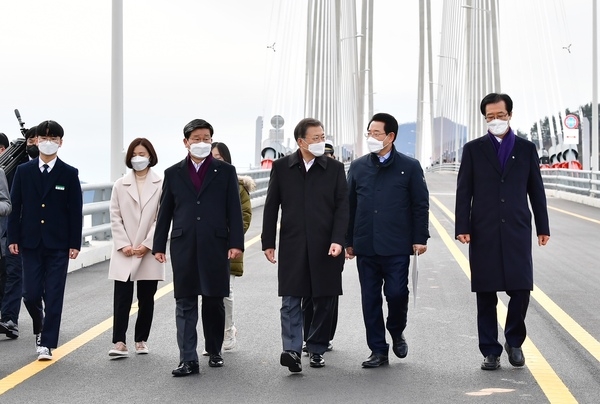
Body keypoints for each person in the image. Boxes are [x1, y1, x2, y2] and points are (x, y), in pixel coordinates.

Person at [455, 93, 550, 371]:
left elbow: (536, 190)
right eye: (490, 117)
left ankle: (514, 341)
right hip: (483, 229)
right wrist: (463, 226)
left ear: (510, 114)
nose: (495, 120)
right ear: (485, 118)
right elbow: (464, 191)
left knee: (521, 289)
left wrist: (542, 227)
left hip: (517, 229)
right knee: (485, 292)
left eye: (500, 115)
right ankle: (490, 350)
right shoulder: (473, 149)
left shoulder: (526, 148)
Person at [153, 119, 244, 377]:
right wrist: (158, 244)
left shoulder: (225, 171)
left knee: (214, 300)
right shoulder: (173, 173)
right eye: (196, 139)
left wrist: (236, 242)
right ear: (186, 142)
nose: (202, 143)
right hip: (183, 244)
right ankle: (188, 359)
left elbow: (233, 210)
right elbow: (165, 212)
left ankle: (214, 350)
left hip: (216, 244)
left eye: (206, 138)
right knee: (185, 302)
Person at [262, 118, 349, 372]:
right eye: (316, 138)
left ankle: (317, 347)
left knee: (323, 298)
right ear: (301, 142)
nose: (321, 141)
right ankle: (291, 350)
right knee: (290, 299)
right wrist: (268, 241)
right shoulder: (281, 167)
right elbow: (270, 206)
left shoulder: (334, 168)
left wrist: (338, 240)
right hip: (292, 243)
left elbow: (343, 207)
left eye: (323, 136)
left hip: (326, 244)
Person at [346, 112, 429, 368]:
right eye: (369, 133)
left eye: (376, 133)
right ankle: (378, 350)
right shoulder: (358, 166)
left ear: (390, 136)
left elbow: (419, 204)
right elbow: (348, 205)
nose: (371, 137)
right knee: (369, 298)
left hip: (396, 245)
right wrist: (348, 240)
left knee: (396, 293)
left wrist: (419, 238)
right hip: (366, 244)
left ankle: (396, 329)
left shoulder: (410, 166)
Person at [7, 120, 83, 361]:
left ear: (61, 142)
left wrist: (74, 243)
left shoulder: (69, 173)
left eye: (54, 138)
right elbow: (15, 206)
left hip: (58, 244)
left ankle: (47, 343)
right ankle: (40, 326)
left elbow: (75, 210)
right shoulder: (23, 171)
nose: (48, 142)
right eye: (44, 137)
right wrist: (13, 237)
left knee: (53, 294)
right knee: (29, 294)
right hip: (29, 242)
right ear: (36, 140)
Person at [107, 138, 165, 358]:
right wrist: (124, 244)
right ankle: (119, 341)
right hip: (125, 249)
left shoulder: (161, 183)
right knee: (121, 297)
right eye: (134, 154)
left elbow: (161, 218)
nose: (138, 158)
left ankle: (141, 339)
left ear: (151, 156)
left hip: (148, 250)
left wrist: (148, 244)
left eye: (142, 154)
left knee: (146, 297)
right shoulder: (120, 184)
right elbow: (115, 216)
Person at [211, 141, 255, 351]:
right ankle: (214, 336)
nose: (215, 160)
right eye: (213, 156)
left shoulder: (238, 188)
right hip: (206, 248)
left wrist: (229, 239)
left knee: (226, 292)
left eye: (219, 157)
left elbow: (244, 218)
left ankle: (229, 330)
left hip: (228, 248)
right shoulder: (201, 185)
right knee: (209, 295)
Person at [0, 127, 37, 340]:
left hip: (18, 231)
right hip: (6, 231)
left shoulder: (22, 166)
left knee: (14, 275)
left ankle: (10, 319)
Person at [301, 141, 338, 353]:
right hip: (309, 243)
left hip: (333, 244)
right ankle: (311, 336)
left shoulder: (336, 173)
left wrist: (343, 241)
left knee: (327, 295)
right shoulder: (309, 175)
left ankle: (324, 336)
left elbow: (345, 208)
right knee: (308, 294)